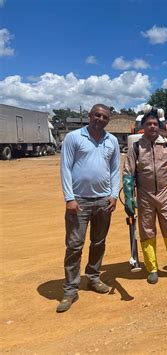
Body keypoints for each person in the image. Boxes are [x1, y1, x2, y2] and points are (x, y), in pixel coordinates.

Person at [58, 104, 120, 313]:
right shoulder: (73, 138)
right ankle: (70, 288)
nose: (100, 119)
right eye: (97, 115)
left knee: (99, 242)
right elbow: (65, 168)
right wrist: (69, 198)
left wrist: (113, 195)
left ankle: (93, 278)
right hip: (79, 201)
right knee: (75, 245)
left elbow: (115, 169)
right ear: (89, 115)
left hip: (103, 201)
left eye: (104, 117)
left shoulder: (111, 141)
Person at [122, 108, 167, 284]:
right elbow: (128, 174)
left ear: (159, 126)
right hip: (145, 196)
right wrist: (129, 198)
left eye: (155, 124)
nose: (152, 126)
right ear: (142, 127)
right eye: (148, 124)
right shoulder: (136, 147)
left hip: (165, 194)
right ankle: (152, 269)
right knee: (147, 231)